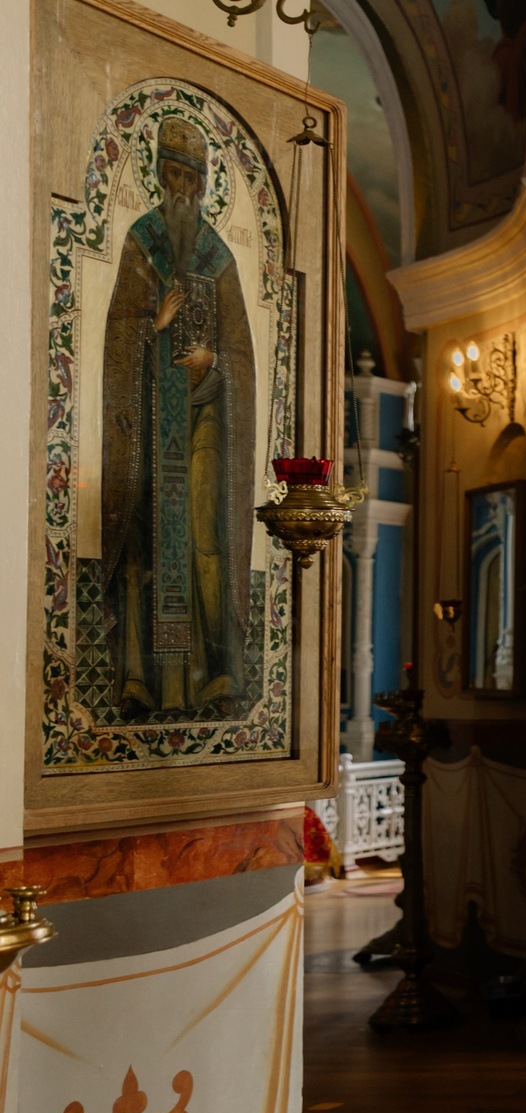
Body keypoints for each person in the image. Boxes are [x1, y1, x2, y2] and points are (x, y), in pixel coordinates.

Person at [103, 116, 256, 717]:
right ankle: (141, 680)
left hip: (205, 412)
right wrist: (156, 328)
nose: (182, 190)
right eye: (173, 176)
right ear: (159, 176)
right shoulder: (142, 241)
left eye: (192, 179)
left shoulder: (219, 257)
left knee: (204, 531)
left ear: (204, 183)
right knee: (144, 538)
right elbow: (120, 331)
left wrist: (213, 360)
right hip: (148, 420)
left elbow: (240, 351)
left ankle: (217, 674)